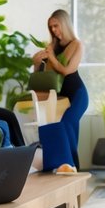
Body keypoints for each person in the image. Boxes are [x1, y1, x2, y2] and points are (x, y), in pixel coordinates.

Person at [32, 9, 88, 169]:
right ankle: (64, 164)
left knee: (68, 123)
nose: (54, 30)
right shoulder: (52, 47)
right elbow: (41, 76)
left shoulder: (77, 45)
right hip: (59, 96)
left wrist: (51, 58)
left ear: (64, 24)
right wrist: (36, 62)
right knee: (60, 127)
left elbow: (66, 70)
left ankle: (72, 165)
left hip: (78, 94)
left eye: (56, 25)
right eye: (51, 27)